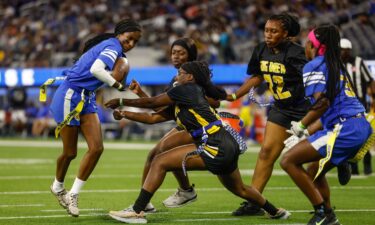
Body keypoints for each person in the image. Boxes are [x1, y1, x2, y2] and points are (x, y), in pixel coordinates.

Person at [105, 61, 290, 223]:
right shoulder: (187, 99)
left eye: (180, 74)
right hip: (224, 142)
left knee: (159, 161)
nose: (176, 77)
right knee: (240, 188)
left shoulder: (186, 89)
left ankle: (137, 210)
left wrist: (120, 100)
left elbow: (152, 102)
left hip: (214, 143)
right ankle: (276, 211)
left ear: (190, 77)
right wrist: (124, 114)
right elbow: (153, 118)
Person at [49, 19, 142, 217]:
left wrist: (121, 85)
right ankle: (58, 186)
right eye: (130, 38)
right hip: (69, 95)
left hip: (87, 97)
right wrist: (118, 86)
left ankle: (73, 194)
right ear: (120, 34)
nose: (132, 43)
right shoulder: (112, 45)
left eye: (136, 41)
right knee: (70, 152)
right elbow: (96, 70)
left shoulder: (114, 49)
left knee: (97, 148)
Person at [280, 24, 371, 225]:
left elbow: (322, 103)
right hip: (357, 125)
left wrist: (301, 126)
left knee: (288, 161)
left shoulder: (313, 65)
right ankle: (329, 214)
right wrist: (304, 133)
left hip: (344, 129)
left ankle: (321, 212)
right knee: (314, 171)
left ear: (313, 45)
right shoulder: (335, 64)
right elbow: (328, 111)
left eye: (306, 42)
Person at [226, 13, 310, 216]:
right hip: (281, 108)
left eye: (274, 31)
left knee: (317, 157)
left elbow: (307, 79)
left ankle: (326, 200)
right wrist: (236, 94)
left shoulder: (296, 52)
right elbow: (257, 77)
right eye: (266, 30)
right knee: (266, 153)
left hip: (305, 108)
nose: (268, 35)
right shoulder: (261, 49)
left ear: (286, 33)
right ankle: (254, 202)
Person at [126, 38, 200, 211]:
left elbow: (213, 100)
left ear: (191, 55)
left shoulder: (194, 76)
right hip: (185, 125)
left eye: (181, 53)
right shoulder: (176, 78)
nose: (176, 56)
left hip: (199, 127)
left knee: (162, 152)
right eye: (174, 52)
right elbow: (163, 108)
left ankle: (184, 191)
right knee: (154, 155)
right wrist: (141, 93)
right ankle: (150, 201)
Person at [340, 38, 374, 175]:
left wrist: (373, 97)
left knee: (364, 137)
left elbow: (370, 81)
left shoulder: (359, 62)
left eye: (345, 50)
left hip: (360, 106)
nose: (342, 52)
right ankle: (351, 169)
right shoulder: (335, 64)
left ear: (349, 50)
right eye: (341, 50)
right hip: (343, 108)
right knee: (348, 138)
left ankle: (367, 166)